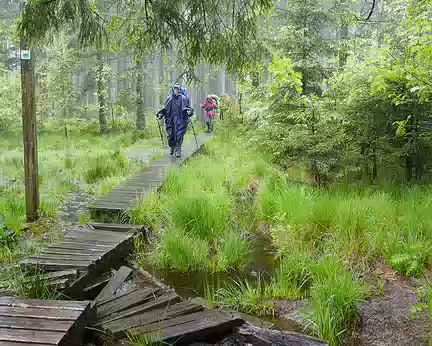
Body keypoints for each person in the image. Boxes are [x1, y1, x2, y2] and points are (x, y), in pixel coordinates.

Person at [157, 84, 193, 157]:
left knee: (179, 135)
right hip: (171, 121)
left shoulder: (183, 98)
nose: (176, 91)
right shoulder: (170, 99)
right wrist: (161, 114)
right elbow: (165, 109)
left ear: (179, 90)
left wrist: (189, 112)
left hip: (180, 120)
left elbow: (186, 108)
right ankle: (172, 147)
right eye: (175, 89)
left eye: (177, 89)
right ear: (173, 90)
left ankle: (178, 150)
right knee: (170, 135)